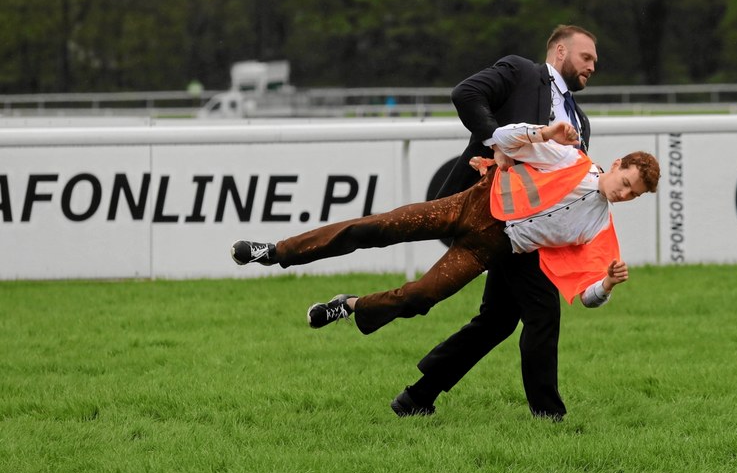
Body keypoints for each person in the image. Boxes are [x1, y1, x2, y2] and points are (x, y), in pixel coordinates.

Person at [231, 122, 660, 413]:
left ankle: (351, 305)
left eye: (633, 196)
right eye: (625, 184)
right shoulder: (569, 158)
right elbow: (501, 138)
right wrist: (543, 132)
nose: (624, 195)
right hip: (469, 205)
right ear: (617, 164)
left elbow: (586, 296)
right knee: (376, 228)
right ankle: (275, 251)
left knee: (422, 297)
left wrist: (606, 284)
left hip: (493, 249)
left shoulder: (598, 227)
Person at [419, 24, 597, 421]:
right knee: (542, 310)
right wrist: (498, 141)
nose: (592, 67)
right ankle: (549, 415)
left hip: (529, 231)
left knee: (497, 320)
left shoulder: (581, 121)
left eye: (595, 63)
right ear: (560, 52)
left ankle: (418, 396)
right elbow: (465, 94)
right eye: (586, 58)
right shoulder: (521, 72)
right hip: (493, 214)